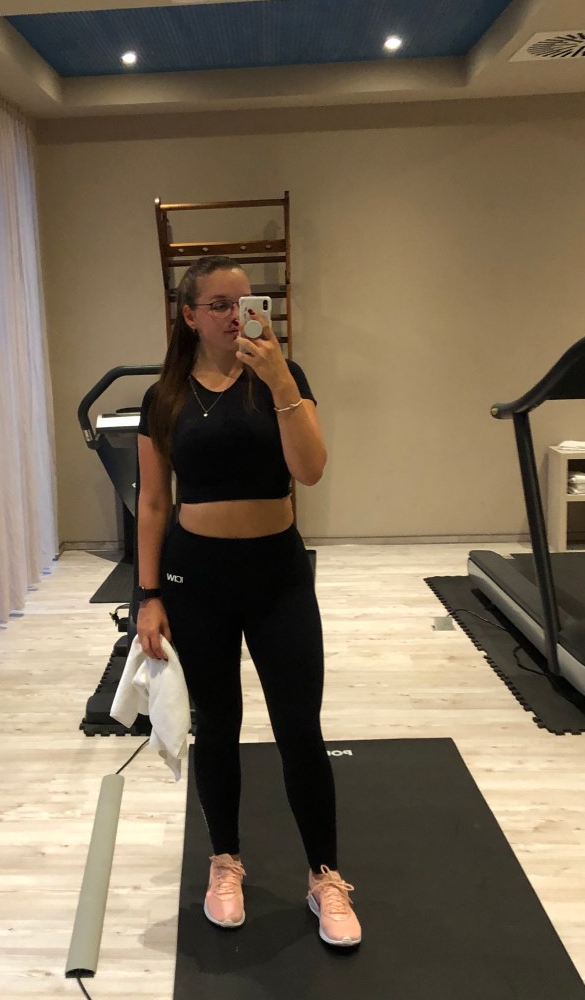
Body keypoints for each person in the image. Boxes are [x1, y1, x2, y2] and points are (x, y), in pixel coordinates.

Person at [135, 255, 361, 947]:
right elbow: (153, 503)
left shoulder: (284, 379)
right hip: (195, 579)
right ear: (190, 316)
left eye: (246, 301)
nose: (238, 315)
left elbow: (310, 470)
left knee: (299, 728)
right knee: (217, 726)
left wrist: (281, 381)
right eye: (221, 304)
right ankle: (225, 861)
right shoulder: (164, 397)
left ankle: (325, 876)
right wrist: (147, 594)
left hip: (277, 576)